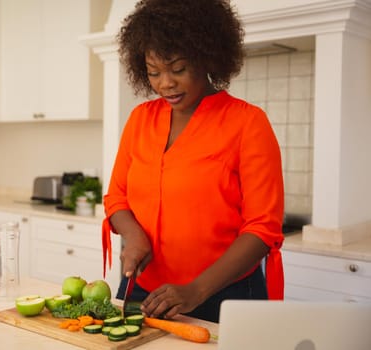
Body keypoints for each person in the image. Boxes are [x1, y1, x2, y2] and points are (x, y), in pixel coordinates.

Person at [101, 0, 285, 323]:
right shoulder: (140, 120)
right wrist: (134, 235)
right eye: (153, 72)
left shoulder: (247, 123)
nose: (165, 84)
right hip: (144, 292)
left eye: (178, 69)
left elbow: (262, 229)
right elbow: (116, 198)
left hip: (225, 297)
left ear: (207, 56)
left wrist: (196, 290)